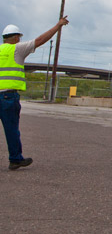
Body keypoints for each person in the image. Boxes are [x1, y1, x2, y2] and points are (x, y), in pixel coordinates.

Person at [1, 17, 70, 170]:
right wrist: (57, 25)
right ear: (16, 37)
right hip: (8, 97)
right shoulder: (17, 48)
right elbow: (40, 40)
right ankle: (15, 159)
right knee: (11, 129)